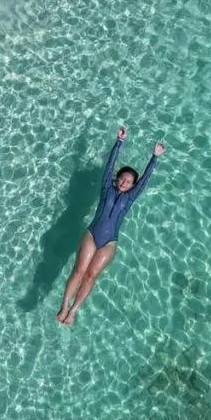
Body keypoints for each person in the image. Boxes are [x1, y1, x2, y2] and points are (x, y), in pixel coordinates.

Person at [57, 126, 165, 325]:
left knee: (90, 276)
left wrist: (154, 158)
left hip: (109, 242)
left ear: (133, 186)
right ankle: (64, 305)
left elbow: (145, 181)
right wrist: (119, 142)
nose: (125, 182)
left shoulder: (131, 197)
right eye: (122, 178)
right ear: (117, 179)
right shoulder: (107, 188)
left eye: (129, 181)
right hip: (91, 234)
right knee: (79, 271)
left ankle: (73, 311)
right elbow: (109, 166)